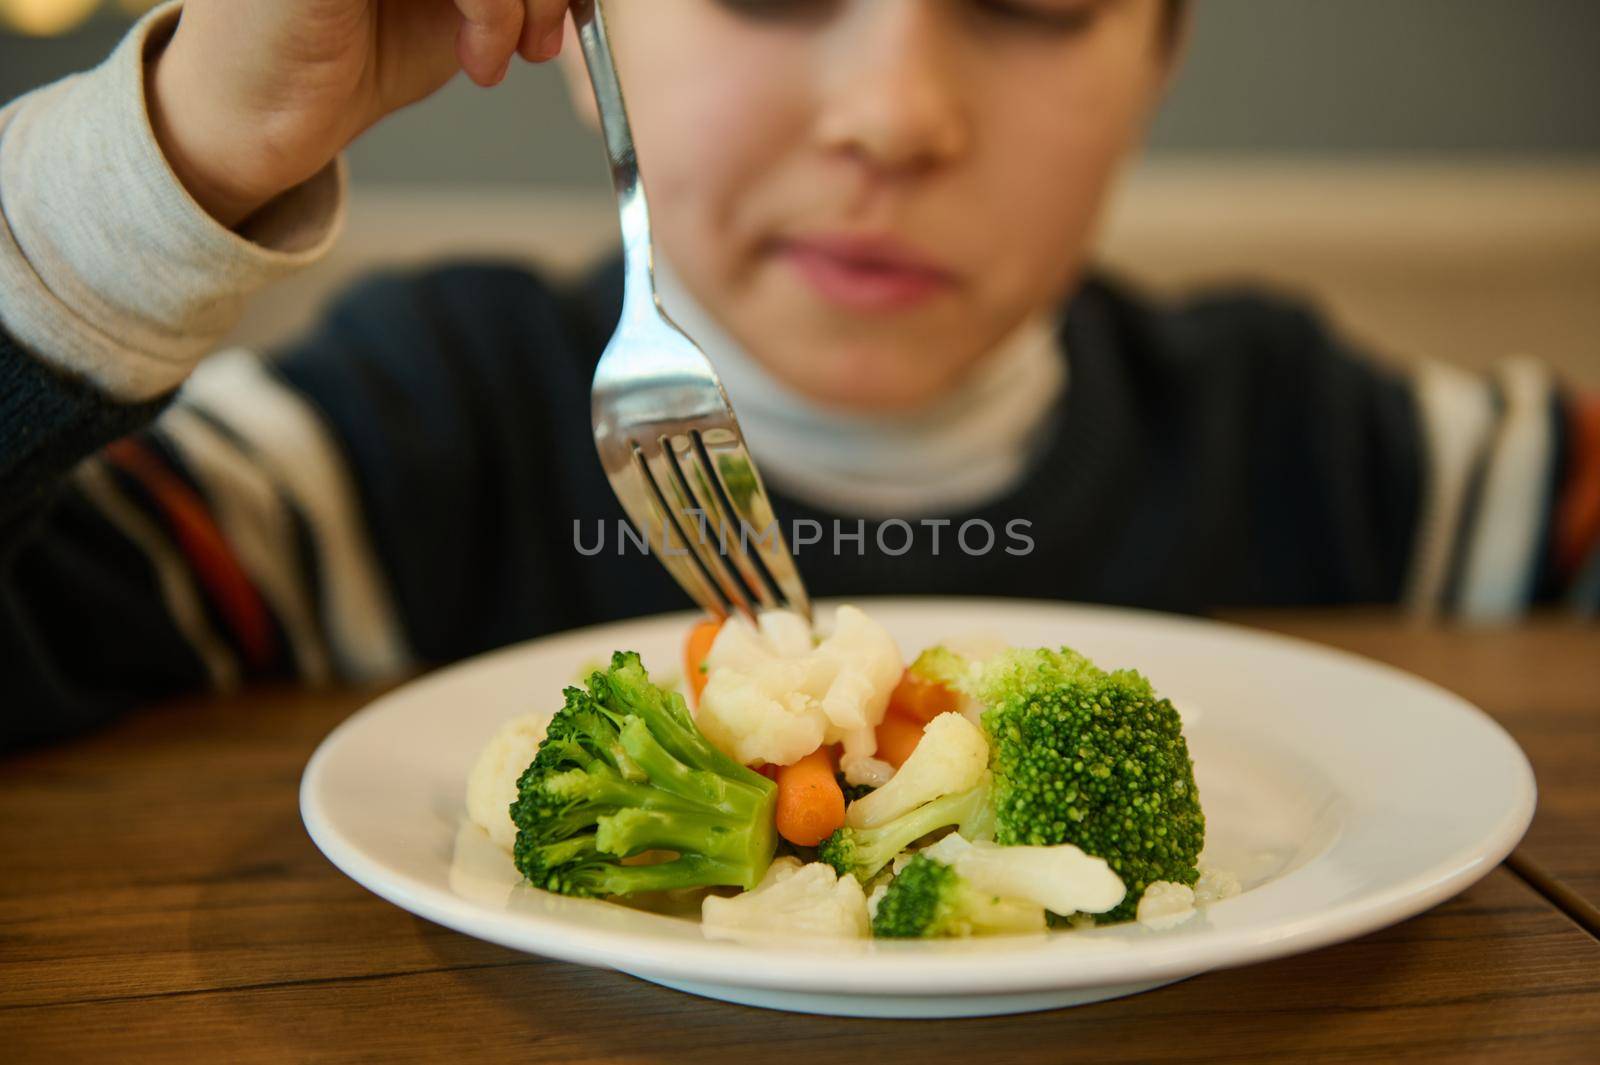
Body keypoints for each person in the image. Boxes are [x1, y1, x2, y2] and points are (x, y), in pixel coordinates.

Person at [1, 0, 1595, 750]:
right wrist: (167, 175)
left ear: (1161, 62)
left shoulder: (1328, 445)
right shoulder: (386, 445)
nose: (896, 112)